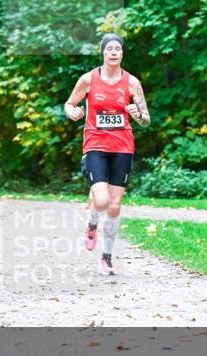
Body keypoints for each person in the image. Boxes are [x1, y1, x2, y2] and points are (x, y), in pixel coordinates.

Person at [64, 33, 150, 275]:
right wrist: (72, 112)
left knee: (114, 206)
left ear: (122, 53)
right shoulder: (88, 79)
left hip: (123, 147)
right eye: (109, 48)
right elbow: (69, 103)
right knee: (101, 201)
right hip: (95, 145)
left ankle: (107, 257)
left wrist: (138, 115)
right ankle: (92, 224)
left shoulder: (132, 82)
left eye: (118, 49)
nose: (114, 52)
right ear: (102, 52)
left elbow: (146, 119)